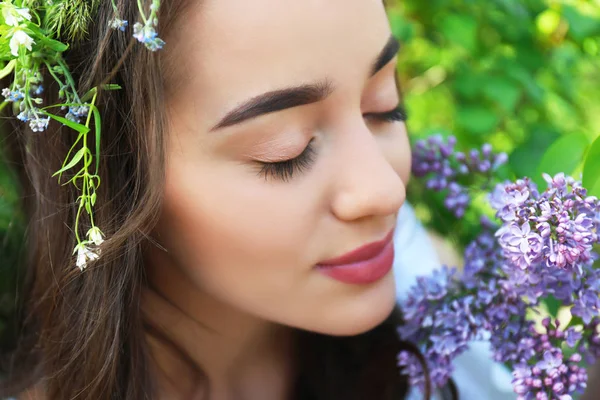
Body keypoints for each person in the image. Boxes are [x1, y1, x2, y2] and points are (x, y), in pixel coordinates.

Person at [0, 0, 514, 399]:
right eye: (284, 153)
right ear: (118, 181)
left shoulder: (423, 291)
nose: (385, 190)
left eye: (382, 105)